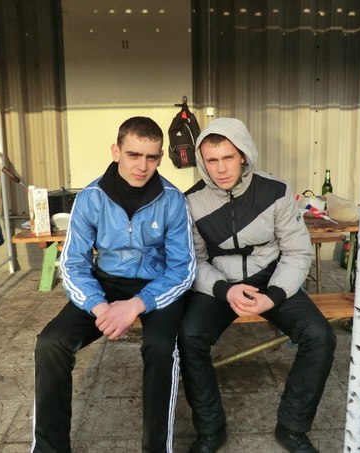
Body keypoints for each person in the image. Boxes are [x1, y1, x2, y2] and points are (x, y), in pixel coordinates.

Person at [32, 116, 197, 453]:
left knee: (161, 349)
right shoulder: (90, 198)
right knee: (50, 344)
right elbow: (73, 264)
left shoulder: (172, 199)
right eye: (134, 155)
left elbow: (182, 269)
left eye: (152, 157)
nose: (142, 166)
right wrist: (100, 307)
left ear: (160, 157)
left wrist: (137, 305)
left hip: (157, 286)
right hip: (105, 284)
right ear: (116, 151)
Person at [179, 118, 336, 453]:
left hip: (271, 278)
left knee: (320, 336)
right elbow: (194, 261)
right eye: (212, 160)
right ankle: (210, 430)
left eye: (228, 157)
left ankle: (292, 427)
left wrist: (273, 296)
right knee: (189, 337)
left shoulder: (275, 191)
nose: (221, 169)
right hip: (220, 283)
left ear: (243, 155)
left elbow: (297, 252)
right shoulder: (191, 201)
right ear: (202, 162)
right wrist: (224, 290)